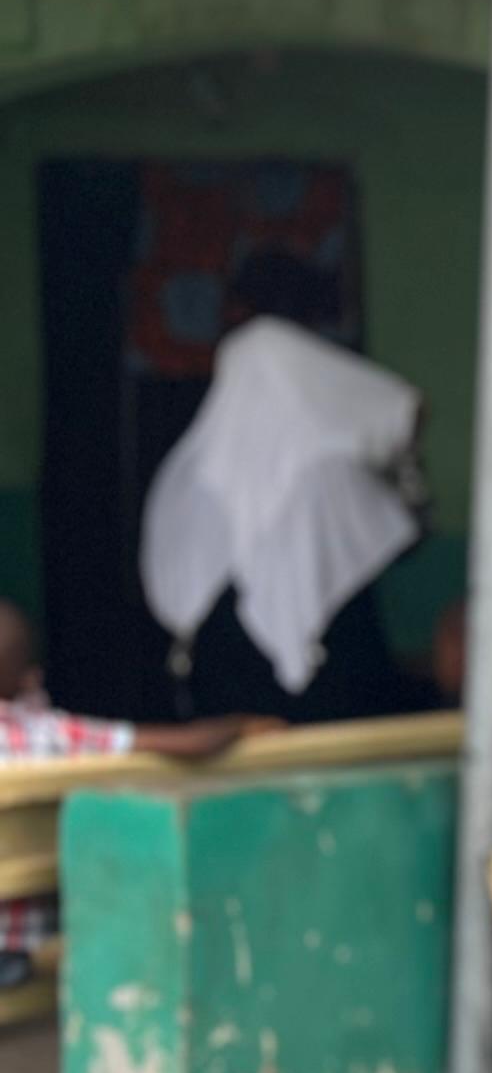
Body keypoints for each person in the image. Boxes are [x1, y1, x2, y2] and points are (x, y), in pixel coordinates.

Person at [137, 253, 422, 724]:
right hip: (328, 692)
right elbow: (407, 522)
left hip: (225, 699)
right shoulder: (331, 472)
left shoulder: (188, 478)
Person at [0, 596, 272, 991]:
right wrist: (242, 724)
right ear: (28, 678)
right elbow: (188, 744)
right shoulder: (47, 733)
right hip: (31, 970)